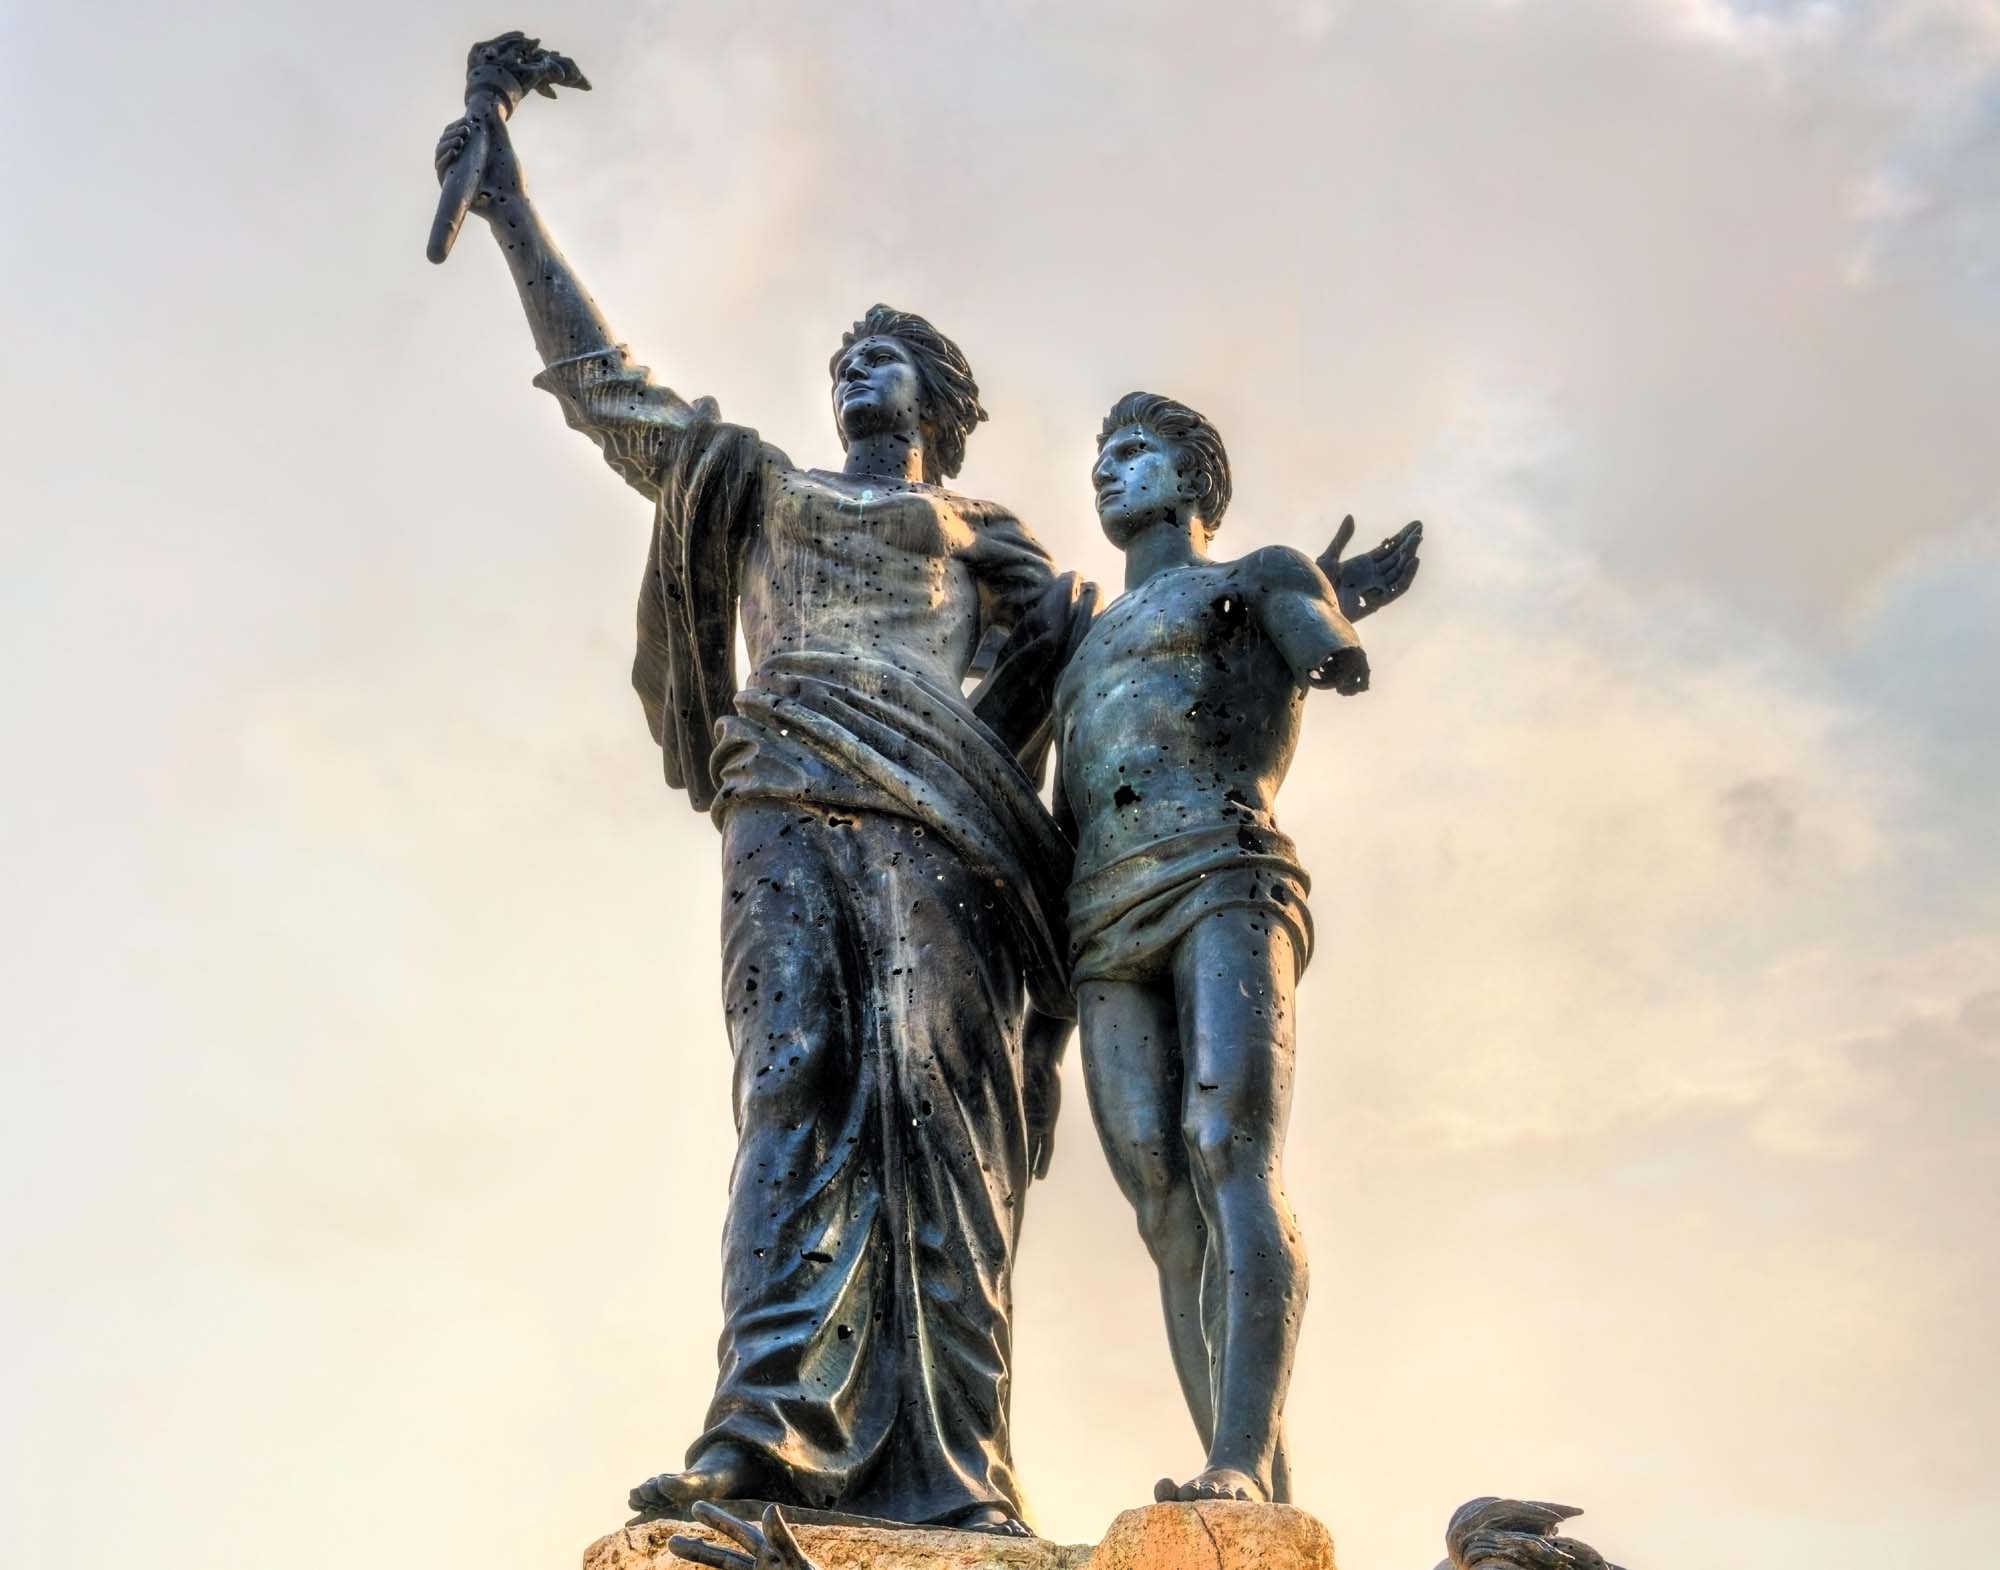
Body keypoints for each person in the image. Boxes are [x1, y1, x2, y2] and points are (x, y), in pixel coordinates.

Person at [433, 91, 1089, 1535]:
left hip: (944, 828)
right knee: (793, 1075)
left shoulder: (992, 538)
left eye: (883, 355)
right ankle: (764, 1427)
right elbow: (611, 390)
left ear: (937, 394)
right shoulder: (754, 488)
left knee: (939, 1112)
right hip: (789, 792)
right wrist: (509, 210)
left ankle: (960, 1466)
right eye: (842, 355)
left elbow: (1090, 680)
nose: (854, 370)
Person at [1051, 392, 1416, 1505]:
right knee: (1160, 1196)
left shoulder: (1255, 569)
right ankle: (1252, 1469)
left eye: (1134, 451)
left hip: (1222, 865)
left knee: (1225, 1145)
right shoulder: (1080, 639)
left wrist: (1316, 612)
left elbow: (1320, 645)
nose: (1107, 471)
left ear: (1194, 477)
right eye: (1098, 457)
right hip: (1102, 909)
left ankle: (1240, 1458)